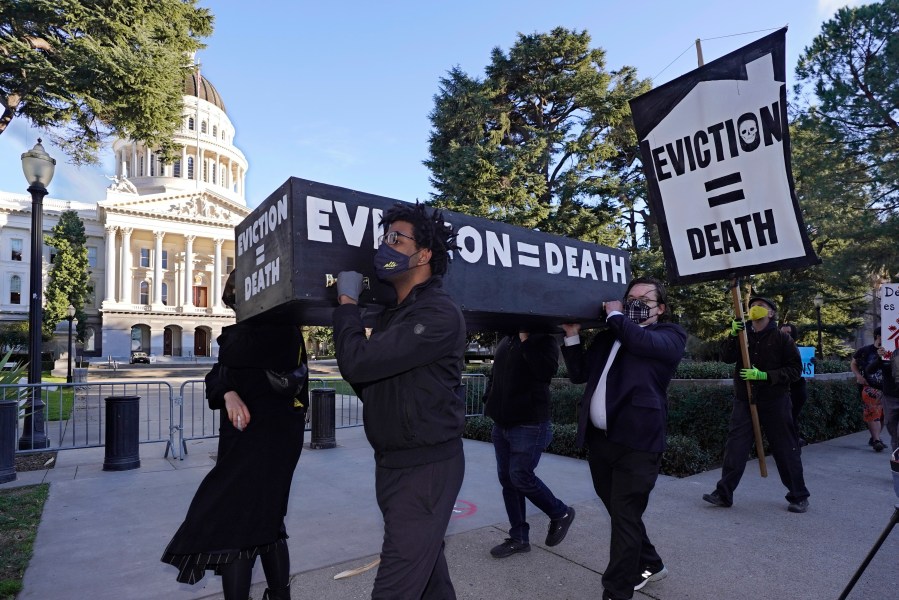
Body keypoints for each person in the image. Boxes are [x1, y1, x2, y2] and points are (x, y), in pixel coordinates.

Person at [332, 202, 466, 600]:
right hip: (393, 464)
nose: (385, 247)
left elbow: (358, 364)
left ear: (423, 255)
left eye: (396, 239)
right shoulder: (397, 316)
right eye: (384, 238)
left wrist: (347, 306)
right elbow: (373, 384)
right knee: (429, 579)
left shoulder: (438, 314)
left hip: (425, 470)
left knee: (394, 588)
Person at [161, 271, 308, 600]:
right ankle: (279, 595)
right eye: (234, 302)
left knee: (238, 524)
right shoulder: (247, 335)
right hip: (241, 442)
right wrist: (227, 391)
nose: (237, 309)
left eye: (241, 299)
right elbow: (217, 376)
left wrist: (224, 382)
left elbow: (228, 359)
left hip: (270, 441)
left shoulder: (277, 330)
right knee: (264, 521)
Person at [561, 276, 686, 600]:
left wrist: (616, 316)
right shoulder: (609, 337)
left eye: (644, 300)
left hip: (638, 445)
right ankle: (652, 564)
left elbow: (642, 344)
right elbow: (579, 375)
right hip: (602, 443)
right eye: (629, 297)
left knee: (625, 516)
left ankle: (616, 591)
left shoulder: (669, 335)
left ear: (660, 308)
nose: (634, 304)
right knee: (621, 515)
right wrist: (572, 336)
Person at [703, 296, 810, 514]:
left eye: (761, 306)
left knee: (785, 448)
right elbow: (725, 357)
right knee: (736, 447)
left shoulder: (782, 339)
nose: (754, 309)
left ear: (771, 313)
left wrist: (764, 376)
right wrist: (732, 335)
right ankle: (724, 494)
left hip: (775, 401)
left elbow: (794, 370)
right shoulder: (743, 335)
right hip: (745, 400)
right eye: (752, 306)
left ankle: (799, 496)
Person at [484, 331, 574, 559]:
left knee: (520, 476)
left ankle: (560, 513)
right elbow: (496, 374)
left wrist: (526, 339)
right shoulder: (507, 339)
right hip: (501, 424)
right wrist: (489, 398)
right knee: (508, 481)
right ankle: (519, 538)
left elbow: (545, 372)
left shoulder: (543, 339)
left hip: (530, 424)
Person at [851, 332, 887, 451]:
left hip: (887, 389)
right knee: (873, 413)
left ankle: (874, 438)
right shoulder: (865, 350)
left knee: (882, 416)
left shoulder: (892, 349)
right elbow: (854, 363)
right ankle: (876, 440)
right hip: (869, 387)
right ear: (878, 336)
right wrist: (858, 376)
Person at [780, 323, 808, 446]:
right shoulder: (775, 349)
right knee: (786, 417)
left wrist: (812, 362)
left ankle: (793, 441)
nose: (786, 335)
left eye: (789, 332)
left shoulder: (801, 349)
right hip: (781, 390)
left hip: (797, 389)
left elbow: (808, 370)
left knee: (791, 416)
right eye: (783, 332)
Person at [875, 344, 898, 452]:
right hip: (890, 399)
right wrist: (879, 358)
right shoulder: (887, 361)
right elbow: (870, 369)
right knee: (894, 433)